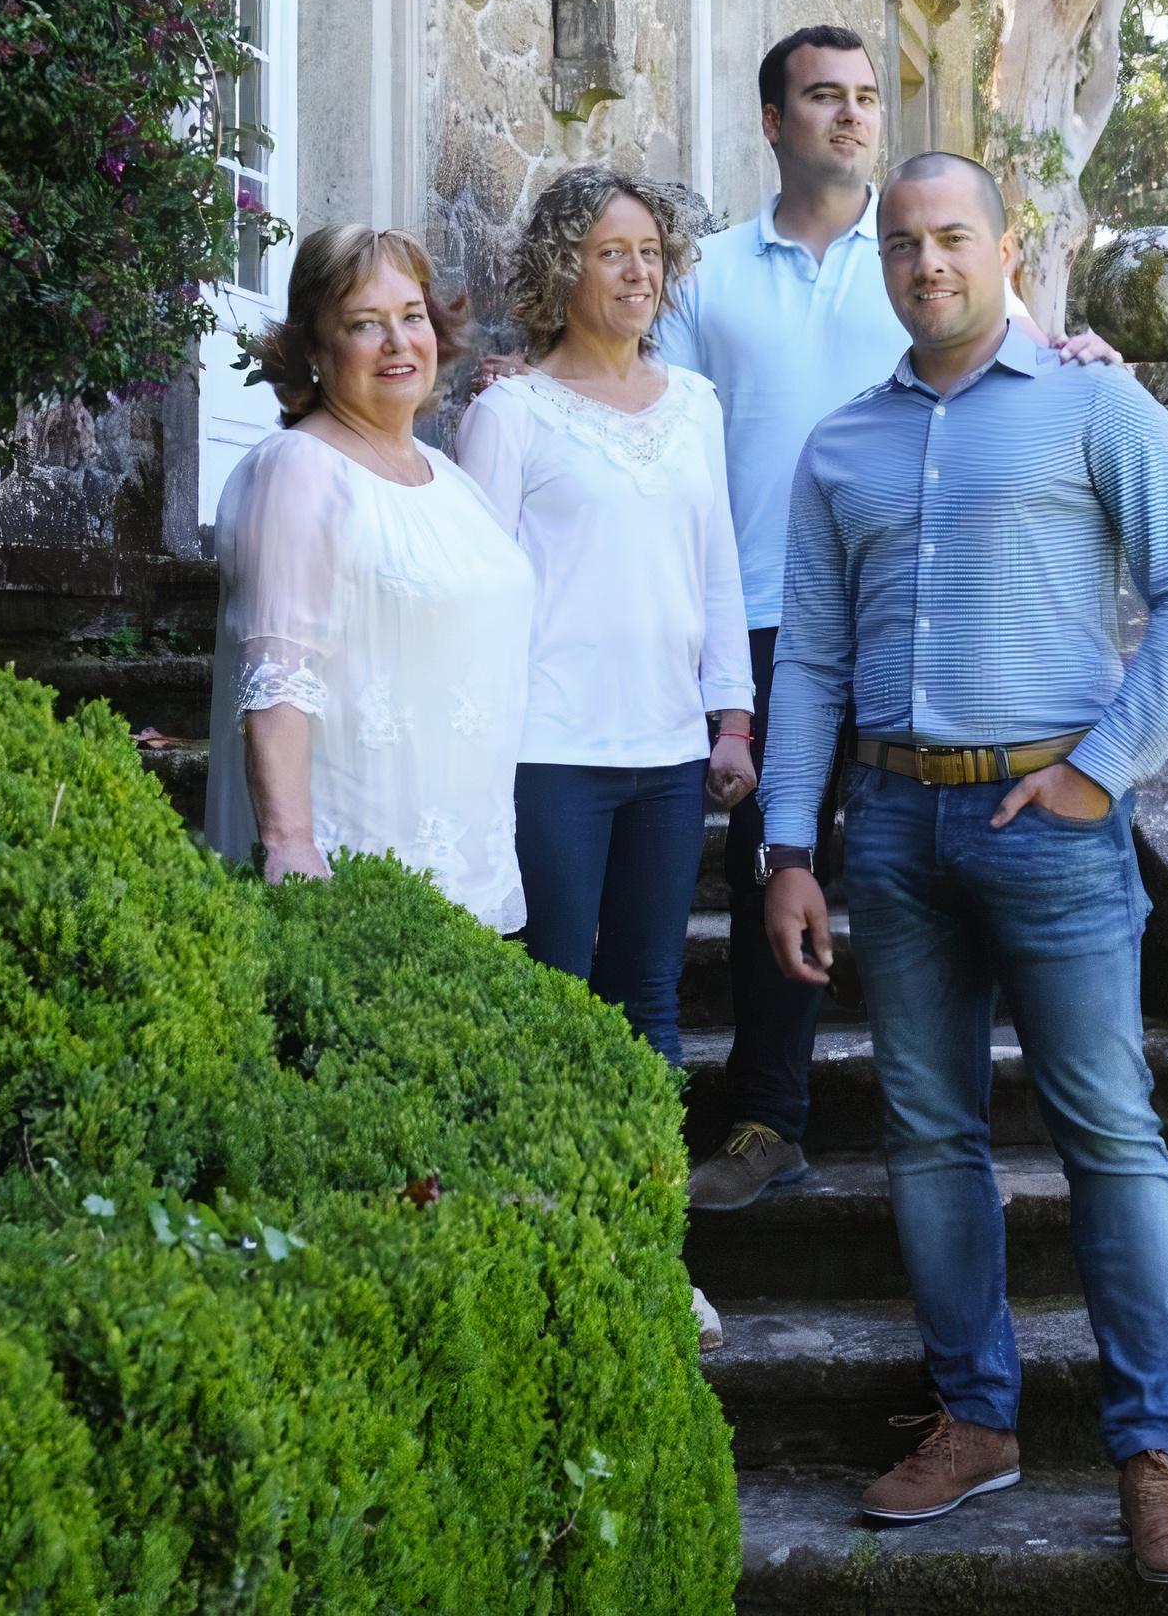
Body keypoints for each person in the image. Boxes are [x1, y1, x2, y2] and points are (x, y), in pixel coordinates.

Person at [759, 152, 1168, 1587]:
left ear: (1006, 245)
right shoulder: (838, 448)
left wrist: (1102, 765)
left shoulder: (1100, 403)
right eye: (903, 245)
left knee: (1109, 1132)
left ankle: (1152, 1452)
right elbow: (816, 667)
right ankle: (975, 1419)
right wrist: (792, 847)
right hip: (895, 830)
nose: (927, 265)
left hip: (1055, 820)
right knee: (927, 1135)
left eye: (952, 238)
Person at [647, 28, 1121, 1212]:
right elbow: (639, 399)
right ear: (773, 121)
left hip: (917, 610)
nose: (853, 116)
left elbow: (1022, 358)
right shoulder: (705, 272)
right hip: (762, 603)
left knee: (912, 849)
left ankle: (954, 1097)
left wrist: (1082, 350)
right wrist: (537, 372)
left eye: (866, 97)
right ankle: (767, 1116)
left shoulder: (921, 253)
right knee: (777, 856)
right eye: (823, 98)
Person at [456, 167, 755, 1068]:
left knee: (651, 1000)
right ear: (562, 270)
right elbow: (476, 599)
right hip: (547, 753)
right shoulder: (509, 415)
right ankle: (547, 1204)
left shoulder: (696, 407)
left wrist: (731, 721)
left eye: (652, 254)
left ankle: (647, 1206)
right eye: (611, 254)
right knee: (550, 994)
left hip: (668, 755)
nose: (639, 273)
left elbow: (720, 573)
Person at [205, 224, 535, 933]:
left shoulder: (448, 479)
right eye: (364, 324)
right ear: (315, 352)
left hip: (466, 870)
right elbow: (275, 680)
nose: (397, 342)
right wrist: (291, 847)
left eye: (411, 317)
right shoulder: (296, 471)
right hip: (352, 872)